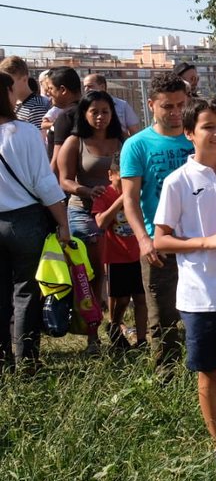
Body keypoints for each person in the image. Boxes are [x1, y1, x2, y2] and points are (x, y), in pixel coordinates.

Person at [153, 98, 216, 457]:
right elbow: (161, 239)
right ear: (189, 133)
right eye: (208, 127)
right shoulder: (177, 182)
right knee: (209, 372)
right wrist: (204, 242)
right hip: (200, 295)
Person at [121, 72, 194, 371]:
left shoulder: (197, 137)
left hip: (199, 240)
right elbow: (130, 199)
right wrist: (143, 239)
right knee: (162, 316)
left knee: (202, 313)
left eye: (180, 105)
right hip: (159, 243)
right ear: (151, 105)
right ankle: (167, 375)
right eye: (168, 106)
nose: (175, 112)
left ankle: (204, 368)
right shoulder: (137, 145)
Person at [0, 71, 71, 371]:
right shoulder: (25, 133)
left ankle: (2, 360)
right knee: (26, 291)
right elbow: (44, 183)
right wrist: (63, 223)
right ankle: (27, 359)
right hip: (25, 221)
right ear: (5, 93)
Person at [57, 91, 124, 355]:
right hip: (84, 213)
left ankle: (117, 326)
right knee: (92, 274)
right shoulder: (75, 141)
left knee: (119, 271)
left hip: (119, 213)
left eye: (105, 111)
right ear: (84, 114)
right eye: (94, 111)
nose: (100, 117)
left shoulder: (121, 140)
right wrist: (86, 191)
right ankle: (92, 336)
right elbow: (64, 180)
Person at [93, 156, 147, 353]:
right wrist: (121, 200)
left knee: (141, 298)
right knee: (121, 299)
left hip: (139, 254)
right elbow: (100, 223)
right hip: (117, 255)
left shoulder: (138, 192)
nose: (124, 182)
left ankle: (142, 341)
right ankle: (115, 325)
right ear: (111, 175)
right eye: (120, 178)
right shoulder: (104, 194)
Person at [46, 67, 83, 170]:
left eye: (50, 88)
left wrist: (50, 184)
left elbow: (57, 161)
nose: (48, 93)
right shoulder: (90, 111)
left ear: (63, 90)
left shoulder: (65, 116)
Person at [0, 56, 50, 127]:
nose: (6, 86)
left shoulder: (36, 107)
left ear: (24, 79)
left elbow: (38, 136)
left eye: (10, 82)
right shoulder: (12, 104)